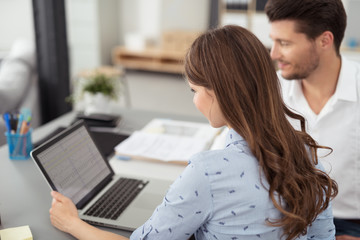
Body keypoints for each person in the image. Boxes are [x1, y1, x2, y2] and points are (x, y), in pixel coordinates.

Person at [49, 25, 338, 240]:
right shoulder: (305, 154)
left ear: (221, 94)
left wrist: (73, 223)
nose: (193, 100)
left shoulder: (206, 173)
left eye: (194, 91)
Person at [265, 0, 360, 238]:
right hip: (285, 219)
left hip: (351, 223)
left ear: (324, 41)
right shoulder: (270, 90)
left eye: (284, 43)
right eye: (274, 41)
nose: (274, 54)